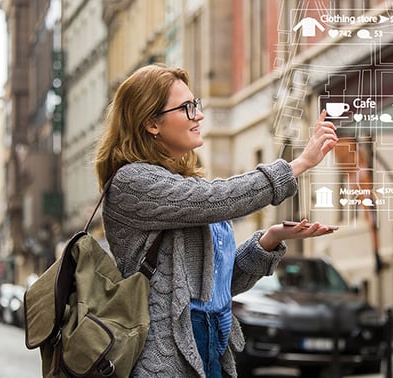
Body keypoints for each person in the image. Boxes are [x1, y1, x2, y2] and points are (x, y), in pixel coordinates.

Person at [94, 63, 338, 377]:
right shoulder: (133, 183)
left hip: (211, 348)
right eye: (186, 108)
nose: (199, 115)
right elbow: (222, 198)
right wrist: (299, 164)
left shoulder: (184, 185)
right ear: (152, 123)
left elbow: (220, 285)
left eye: (196, 105)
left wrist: (270, 240)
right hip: (163, 359)